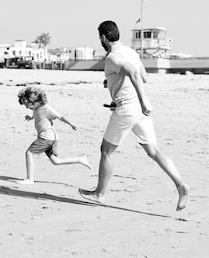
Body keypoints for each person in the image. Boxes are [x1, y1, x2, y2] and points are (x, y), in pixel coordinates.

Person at [79, 20, 190, 211]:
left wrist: (142, 99)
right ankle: (181, 185)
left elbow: (132, 73)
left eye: (100, 38)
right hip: (139, 110)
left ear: (103, 37)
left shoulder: (111, 57)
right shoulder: (131, 52)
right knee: (154, 151)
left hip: (128, 108)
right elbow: (143, 76)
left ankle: (99, 194)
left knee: (107, 150)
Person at [17, 86, 92, 184]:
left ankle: (29, 179)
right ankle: (80, 159)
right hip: (51, 138)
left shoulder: (46, 108)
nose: (27, 107)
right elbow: (37, 115)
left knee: (29, 153)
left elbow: (60, 116)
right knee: (56, 161)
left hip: (46, 137)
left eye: (27, 104)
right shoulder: (36, 108)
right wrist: (31, 118)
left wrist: (71, 124)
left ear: (34, 101)